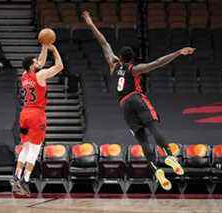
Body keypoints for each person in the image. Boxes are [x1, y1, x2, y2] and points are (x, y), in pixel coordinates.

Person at [82, 11, 195, 190]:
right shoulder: (134, 69)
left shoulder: (113, 65)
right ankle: (168, 156)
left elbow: (103, 41)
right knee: (153, 127)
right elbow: (157, 62)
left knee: (143, 140)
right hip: (135, 98)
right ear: (132, 58)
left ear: (119, 56)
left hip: (124, 106)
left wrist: (90, 23)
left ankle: (156, 169)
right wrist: (179, 52)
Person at [10, 44, 64, 196]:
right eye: (35, 63)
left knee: (25, 147)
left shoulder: (24, 76)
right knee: (34, 150)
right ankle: (25, 181)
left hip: (24, 114)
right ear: (31, 66)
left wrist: (44, 47)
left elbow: (40, 62)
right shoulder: (40, 76)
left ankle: (16, 176)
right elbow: (59, 66)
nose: (38, 64)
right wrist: (54, 49)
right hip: (36, 115)